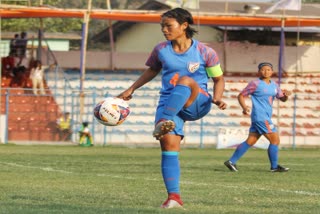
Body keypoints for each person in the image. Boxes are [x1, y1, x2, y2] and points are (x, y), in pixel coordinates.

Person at [117, 8, 227, 209]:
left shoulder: (205, 51)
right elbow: (152, 70)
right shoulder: (160, 50)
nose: (164, 30)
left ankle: (162, 121)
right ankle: (174, 197)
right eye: (162, 26)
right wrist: (131, 88)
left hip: (197, 101)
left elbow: (219, 79)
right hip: (169, 102)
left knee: (186, 80)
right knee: (168, 146)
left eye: (168, 26)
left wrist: (218, 98)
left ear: (184, 25)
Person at [224, 62, 291, 173]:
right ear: (259, 71)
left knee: (250, 141)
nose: (266, 71)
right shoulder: (255, 83)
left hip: (264, 117)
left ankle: (231, 161)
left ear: (272, 71)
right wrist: (245, 107)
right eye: (263, 69)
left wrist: (286, 95)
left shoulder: (274, 85)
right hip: (260, 117)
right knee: (275, 140)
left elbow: (282, 99)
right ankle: (274, 167)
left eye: (268, 69)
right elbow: (241, 95)